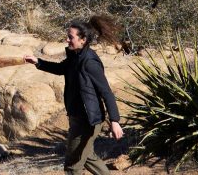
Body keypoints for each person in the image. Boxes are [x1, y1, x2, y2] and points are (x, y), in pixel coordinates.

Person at [23, 19, 123, 175]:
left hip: (87, 121)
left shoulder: (89, 62)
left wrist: (115, 121)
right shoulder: (75, 56)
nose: (67, 40)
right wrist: (38, 62)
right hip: (77, 116)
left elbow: (106, 92)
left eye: (70, 37)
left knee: (73, 165)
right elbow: (61, 68)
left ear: (82, 40)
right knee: (88, 156)